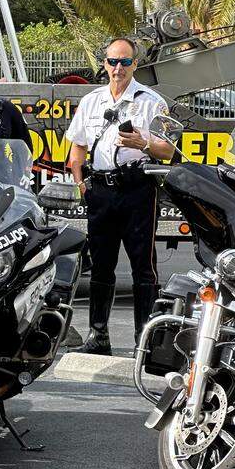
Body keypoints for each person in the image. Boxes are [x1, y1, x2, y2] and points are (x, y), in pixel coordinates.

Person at [65, 36, 174, 354]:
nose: (118, 68)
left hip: (137, 189)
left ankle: (144, 341)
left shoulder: (151, 101)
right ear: (105, 64)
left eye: (125, 62)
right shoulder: (92, 101)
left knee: (143, 266)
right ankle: (98, 337)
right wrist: (81, 184)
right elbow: (77, 148)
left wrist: (144, 144)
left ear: (135, 64)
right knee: (101, 264)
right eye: (113, 61)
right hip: (100, 191)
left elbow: (168, 151)